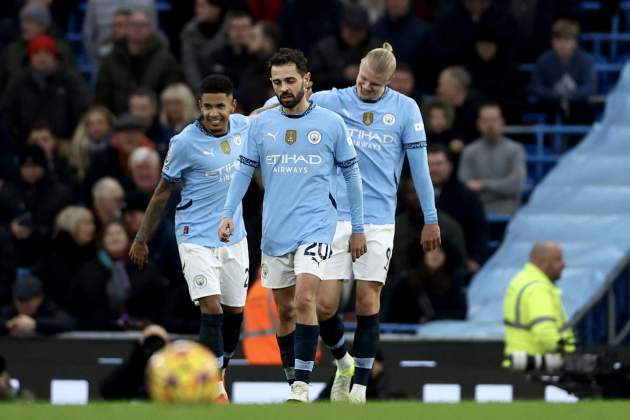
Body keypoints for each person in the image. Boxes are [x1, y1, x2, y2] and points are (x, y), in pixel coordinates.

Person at [219, 48, 367, 403]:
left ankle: (301, 386)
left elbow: (352, 176)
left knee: (305, 299)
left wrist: (358, 226)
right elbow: (242, 170)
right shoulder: (262, 124)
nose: (284, 88)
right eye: (277, 82)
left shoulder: (330, 124)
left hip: (317, 225)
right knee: (284, 311)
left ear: (306, 80)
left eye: (290, 80)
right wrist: (228, 212)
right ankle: (309, 374)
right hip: (275, 230)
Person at [295, 43, 440, 403]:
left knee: (366, 297)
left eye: (374, 85)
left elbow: (419, 170)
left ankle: (358, 388)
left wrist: (430, 218)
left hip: (377, 220)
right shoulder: (333, 100)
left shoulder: (406, 110)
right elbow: (287, 108)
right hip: (334, 216)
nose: (365, 88)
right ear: (357, 69)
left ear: (389, 82)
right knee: (325, 305)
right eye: (362, 79)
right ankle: (343, 361)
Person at [129, 74, 252, 404]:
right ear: (199, 105)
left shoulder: (243, 127)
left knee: (234, 312)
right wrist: (142, 238)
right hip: (195, 237)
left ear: (232, 106)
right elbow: (161, 193)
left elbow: (270, 111)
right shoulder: (183, 143)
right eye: (208, 106)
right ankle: (213, 386)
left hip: (235, 237)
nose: (214, 113)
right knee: (210, 307)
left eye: (220, 106)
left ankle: (220, 370)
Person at [503, 241, 575, 367]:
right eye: (558, 260)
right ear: (542, 262)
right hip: (537, 365)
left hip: (520, 361)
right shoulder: (538, 289)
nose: (563, 264)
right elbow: (544, 332)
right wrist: (567, 357)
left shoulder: (522, 279)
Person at [458, 103, 526, 216]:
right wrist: (503, 183)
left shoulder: (515, 150)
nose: (490, 125)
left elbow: (516, 185)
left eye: (494, 119)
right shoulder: (469, 151)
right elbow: (465, 188)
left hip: (508, 210)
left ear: (502, 122)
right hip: (476, 210)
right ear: (478, 124)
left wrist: (482, 184)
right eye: (485, 120)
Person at [530, 19, 596, 124]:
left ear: (575, 42)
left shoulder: (585, 60)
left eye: (567, 40)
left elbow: (590, 86)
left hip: (578, 105)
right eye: (559, 40)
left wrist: (570, 95)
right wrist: (555, 95)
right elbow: (535, 86)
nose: (563, 44)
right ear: (552, 41)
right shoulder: (543, 60)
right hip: (550, 105)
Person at [0, 274, 76, 335]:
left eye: (27, 302)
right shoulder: (11, 309)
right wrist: (8, 324)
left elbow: (66, 323)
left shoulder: (48, 307)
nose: (23, 306)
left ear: (39, 298)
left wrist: (35, 324)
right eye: (20, 302)